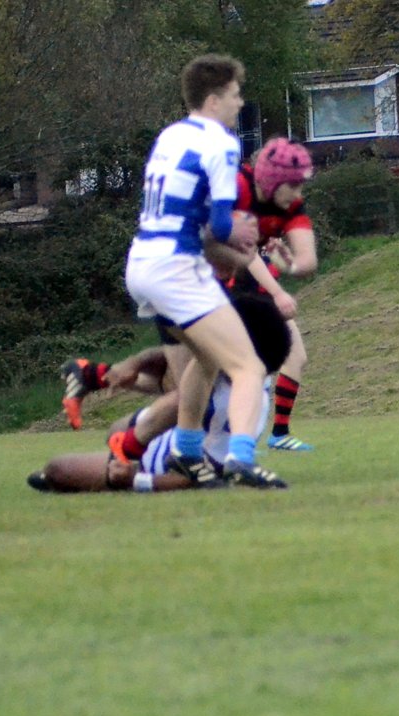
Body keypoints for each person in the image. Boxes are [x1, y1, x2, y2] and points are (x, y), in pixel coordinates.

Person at [123, 54, 279, 488]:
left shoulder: (171, 135)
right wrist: (241, 232)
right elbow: (223, 225)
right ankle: (241, 460)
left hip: (142, 263)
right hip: (176, 266)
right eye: (234, 95)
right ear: (213, 100)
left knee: (208, 357)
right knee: (248, 365)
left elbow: (185, 206)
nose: (239, 103)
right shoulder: (222, 142)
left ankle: (187, 451)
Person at [30, 289, 293, 493]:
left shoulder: (241, 408)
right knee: (180, 378)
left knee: (57, 469)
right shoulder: (233, 372)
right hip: (151, 434)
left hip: (154, 464)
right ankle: (98, 375)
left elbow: (200, 477)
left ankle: (97, 381)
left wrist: (136, 480)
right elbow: (174, 357)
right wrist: (135, 362)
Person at [237, 138, 319, 452]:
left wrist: (287, 262)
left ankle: (279, 433)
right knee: (233, 370)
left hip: (262, 295)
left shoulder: (283, 208)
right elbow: (246, 254)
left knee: (296, 357)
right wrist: (278, 291)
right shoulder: (241, 196)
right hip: (235, 294)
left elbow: (302, 261)